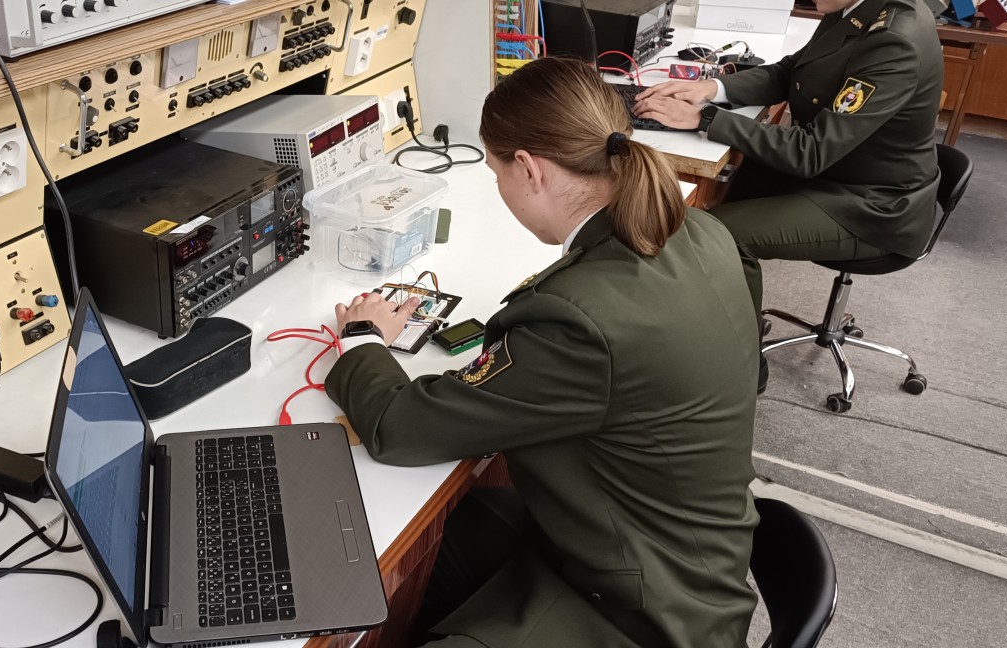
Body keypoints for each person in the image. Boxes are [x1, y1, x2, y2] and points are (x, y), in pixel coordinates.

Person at [325, 57, 760, 648]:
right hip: (685, 555)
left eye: (496, 173)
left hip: (645, 613)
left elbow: (398, 429)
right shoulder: (698, 230)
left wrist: (361, 337)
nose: (499, 189)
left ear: (529, 169)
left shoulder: (579, 322)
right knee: (460, 529)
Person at [633, 0, 943, 389]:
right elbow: (790, 72)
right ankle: (725, 314)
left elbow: (811, 151)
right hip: (841, 170)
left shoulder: (894, 41)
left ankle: (744, 362)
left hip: (872, 204)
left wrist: (706, 118)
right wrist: (712, 89)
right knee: (734, 188)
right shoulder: (853, 8)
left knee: (719, 233)